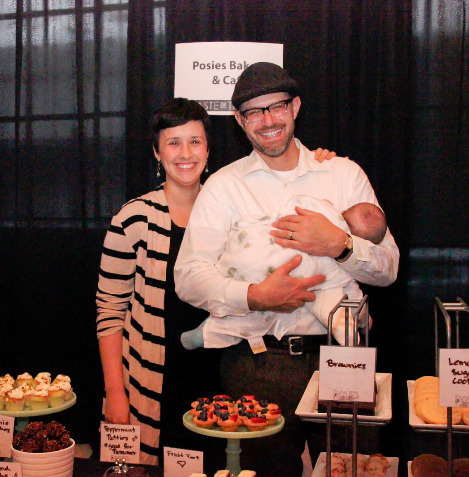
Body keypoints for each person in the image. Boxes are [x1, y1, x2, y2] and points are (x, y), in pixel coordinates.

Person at [174, 62, 399, 475]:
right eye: (254, 112)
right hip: (257, 363)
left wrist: (341, 245)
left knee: (354, 468)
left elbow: (388, 270)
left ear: (295, 107)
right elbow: (188, 276)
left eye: (276, 106)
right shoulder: (224, 185)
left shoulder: (343, 174)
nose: (267, 121)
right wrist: (255, 296)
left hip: (343, 358)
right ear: (241, 122)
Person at [95, 96, 338, 468]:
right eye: (173, 143)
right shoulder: (134, 219)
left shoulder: (235, 204)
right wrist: (115, 392)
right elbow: (109, 311)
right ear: (157, 153)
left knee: (227, 467)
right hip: (152, 383)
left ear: (209, 149)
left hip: (227, 377)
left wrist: (319, 162)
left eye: (194, 141)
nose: (185, 153)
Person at [180, 198, 387, 351]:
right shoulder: (339, 269)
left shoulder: (320, 206)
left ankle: (211, 327)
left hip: (245, 250)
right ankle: (209, 332)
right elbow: (353, 295)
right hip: (269, 280)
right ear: (365, 243)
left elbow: (294, 204)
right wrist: (363, 319)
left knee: (250, 301)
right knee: (258, 316)